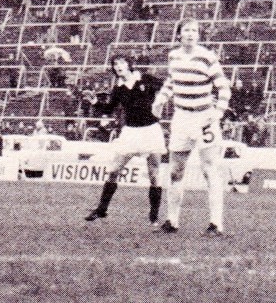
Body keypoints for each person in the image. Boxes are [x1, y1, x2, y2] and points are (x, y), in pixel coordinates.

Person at [151, 18, 231, 236]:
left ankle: (216, 223)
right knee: (176, 171)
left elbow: (224, 87)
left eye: (194, 30)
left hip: (204, 118)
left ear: (199, 34)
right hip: (181, 119)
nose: (190, 34)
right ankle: (172, 221)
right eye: (186, 30)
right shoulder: (174, 56)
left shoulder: (207, 57)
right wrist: (161, 98)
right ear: (179, 34)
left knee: (210, 170)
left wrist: (217, 113)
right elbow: (171, 82)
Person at [84, 55, 165, 225]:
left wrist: (160, 103)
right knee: (114, 170)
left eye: (121, 63)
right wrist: (95, 102)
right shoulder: (118, 89)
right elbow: (109, 108)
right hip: (130, 132)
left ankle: (154, 216)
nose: (118, 66)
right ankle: (102, 209)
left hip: (151, 130)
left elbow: (165, 88)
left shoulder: (145, 78)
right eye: (115, 64)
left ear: (129, 64)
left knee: (154, 174)